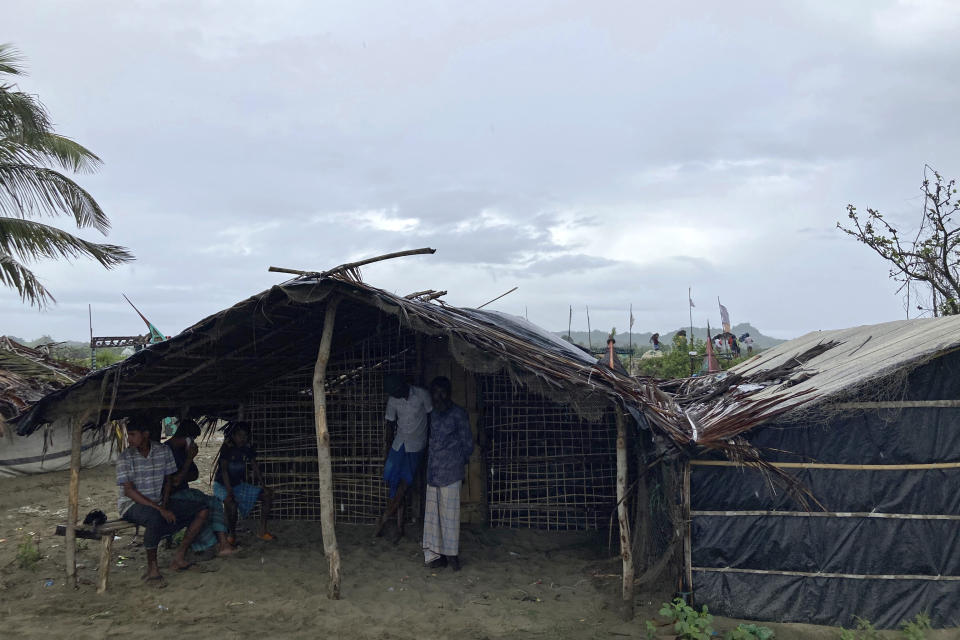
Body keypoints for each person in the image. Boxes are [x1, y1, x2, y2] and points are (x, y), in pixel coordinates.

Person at [117, 422, 209, 586]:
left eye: (132, 434)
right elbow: (129, 491)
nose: (129, 439)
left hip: (158, 502)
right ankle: (152, 569)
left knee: (201, 509)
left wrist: (165, 504)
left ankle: (179, 556)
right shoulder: (125, 457)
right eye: (128, 434)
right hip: (130, 505)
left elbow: (168, 481)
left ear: (145, 434)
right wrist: (160, 509)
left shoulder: (163, 451)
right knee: (154, 518)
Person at [422, 377, 474, 571]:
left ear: (449, 393)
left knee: (450, 517)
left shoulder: (458, 414)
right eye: (435, 392)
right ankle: (437, 556)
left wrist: (459, 462)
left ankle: (452, 556)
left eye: (442, 392)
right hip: (434, 473)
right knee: (433, 518)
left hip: (451, 472)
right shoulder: (432, 415)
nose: (439, 396)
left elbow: (468, 443)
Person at [164, 419, 236, 558]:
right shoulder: (168, 451)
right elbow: (176, 482)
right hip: (175, 495)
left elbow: (194, 474)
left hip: (184, 492)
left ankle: (221, 543)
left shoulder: (181, 451)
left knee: (214, 501)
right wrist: (189, 459)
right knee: (207, 505)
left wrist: (186, 465)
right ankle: (220, 543)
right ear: (188, 438)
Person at [374, 374, 432, 540]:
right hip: (399, 444)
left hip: (416, 445)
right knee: (394, 482)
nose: (396, 395)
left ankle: (384, 518)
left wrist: (430, 445)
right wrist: (387, 449)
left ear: (404, 385)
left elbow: (431, 417)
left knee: (404, 484)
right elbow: (389, 424)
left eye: (398, 391)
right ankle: (399, 527)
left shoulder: (422, 395)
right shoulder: (393, 400)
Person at [214, 422, 275, 542]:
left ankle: (262, 531)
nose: (242, 438)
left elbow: (254, 465)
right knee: (231, 503)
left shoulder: (247, 447)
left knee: (267, 495)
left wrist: (263, 485)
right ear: (234, 435)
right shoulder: (227, 447)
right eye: (240, 435)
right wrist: (229, 491)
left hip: (238, 485)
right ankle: (232, 535)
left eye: (245, 436)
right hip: (222, 485)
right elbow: (224, 470)